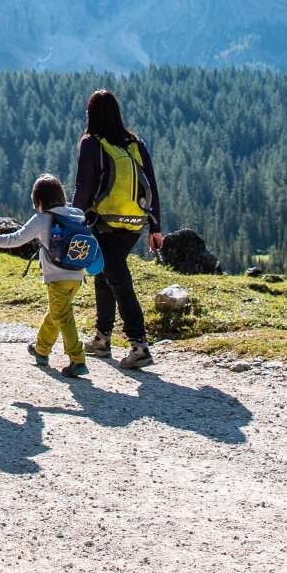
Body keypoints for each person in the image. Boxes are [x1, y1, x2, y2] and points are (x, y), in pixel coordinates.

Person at [73, 88, 164, 370]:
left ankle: (139, 345)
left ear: (91, 115)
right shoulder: (135, 144)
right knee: (104, 272)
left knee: (118, 278)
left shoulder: (92, 143)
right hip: (134, 223)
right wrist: (156, 227)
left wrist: (72, 219)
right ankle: (102, 339)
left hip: (104, 222)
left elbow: (83, 187)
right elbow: (152, 185)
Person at [0, 174, 94, 377]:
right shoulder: (76, 214)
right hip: (77, 276)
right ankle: (41, 349)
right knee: (56, 313)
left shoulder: (43, 219)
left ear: (39, 200)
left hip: (57, 278)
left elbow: (17, 239)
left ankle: (77, 360)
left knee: (63, 316)